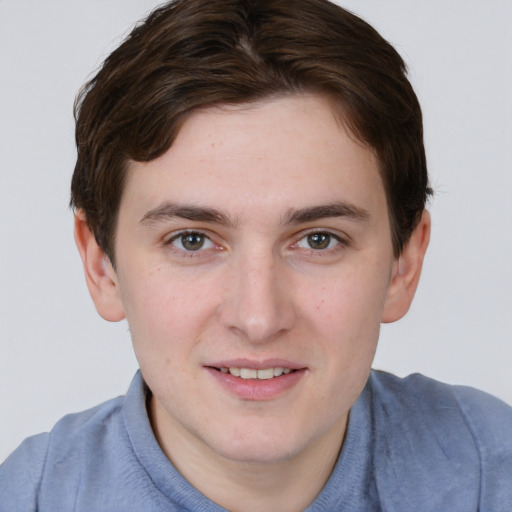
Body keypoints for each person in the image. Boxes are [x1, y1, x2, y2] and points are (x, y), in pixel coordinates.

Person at [1, 0, 510, 510]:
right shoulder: (27, 498)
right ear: (100, 265)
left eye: (319, 240)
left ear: (404, 265)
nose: (258, 318)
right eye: (192, 240)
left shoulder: (493, 472)